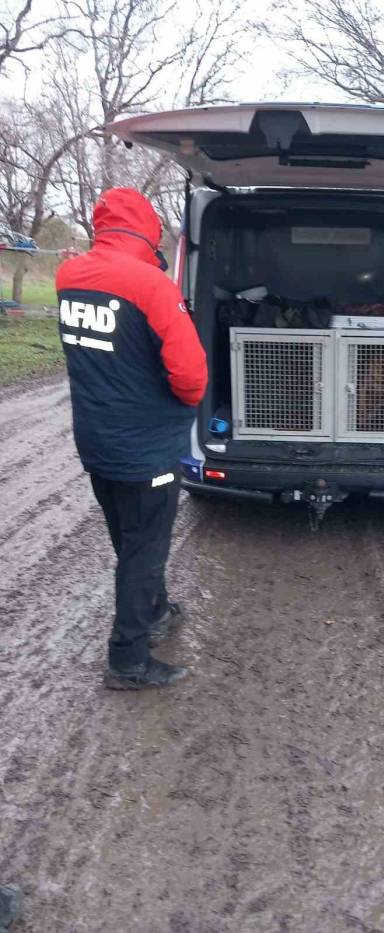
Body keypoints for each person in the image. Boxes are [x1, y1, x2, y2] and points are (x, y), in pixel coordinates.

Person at [56, 188, 208, 688]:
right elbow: (191, 376)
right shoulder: (152, 285)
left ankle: (156, 608)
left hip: (97, 440)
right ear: (147, 229)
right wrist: (186, 405)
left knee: (129, 537)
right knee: (145, 548)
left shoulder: (67, 276)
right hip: (146, 448)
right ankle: (128, 660)